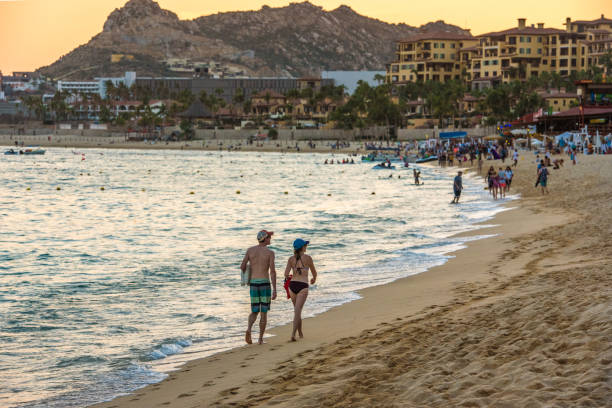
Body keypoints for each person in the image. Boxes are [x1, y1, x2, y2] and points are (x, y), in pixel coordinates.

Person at [240, 230, 277, 345]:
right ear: (265, 239)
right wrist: (275, 289)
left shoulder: (250, 250)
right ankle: (260, 339)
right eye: (269, 237)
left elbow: (242, 266)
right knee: (264, 312)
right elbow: (272, 272)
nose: (270, 239)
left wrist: (249, 273)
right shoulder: (270, 253)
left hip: (254, 285)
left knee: (254, 311)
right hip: (265, 284)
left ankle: (249, 330)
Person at [284, 239, 317, 342]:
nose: (306, 247)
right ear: (302, 247)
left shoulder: (291, 259)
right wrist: (313, 279)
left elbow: (285, 274)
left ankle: (300, 333)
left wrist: (291, 275)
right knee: (297, 312)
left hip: (292, 286)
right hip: (303, 286)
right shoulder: (308, 258)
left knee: (297, 311)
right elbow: (314, 273)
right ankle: (293, 335)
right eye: (305, 245)